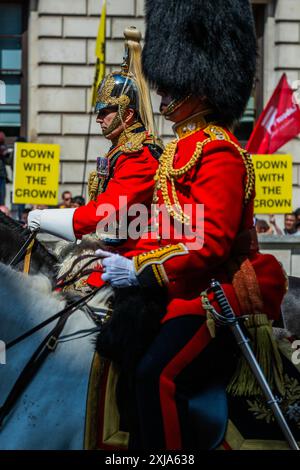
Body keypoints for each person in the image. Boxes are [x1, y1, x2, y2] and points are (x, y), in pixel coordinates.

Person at [94, 0, 288, 449]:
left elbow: (212, 243)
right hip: (178, 291)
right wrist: (125, 259)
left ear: (199, 86)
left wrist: (145, 271)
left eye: (171, 88)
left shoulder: (217, 152)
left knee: (154, 376)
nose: (161, 98)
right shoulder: (184, 147)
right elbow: (166, 229)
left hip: (212, 296)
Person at [28, 27, 163, 289]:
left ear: (128, 114)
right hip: (112, 246)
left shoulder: (139, 156)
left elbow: (105, 212)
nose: (99, 118)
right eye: (98, 112)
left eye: (106, 112)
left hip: (132, 255)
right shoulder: (120, 151)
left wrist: (47, 219)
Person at [0, 132, 12, 206]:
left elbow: (8, 162)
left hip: (2, 176)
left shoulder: (3, 149)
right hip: (2, 175)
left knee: (2, 196)